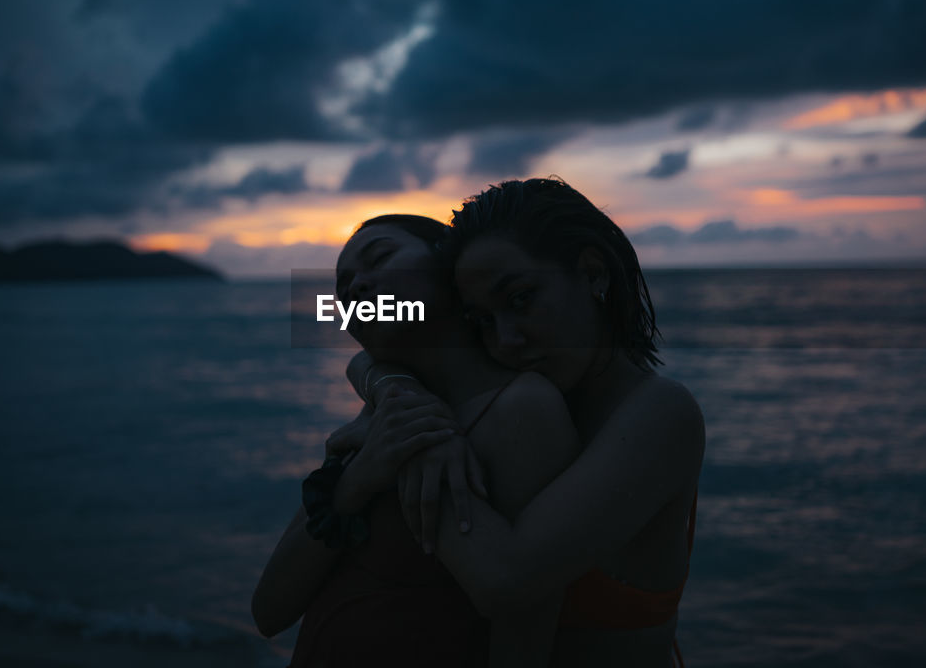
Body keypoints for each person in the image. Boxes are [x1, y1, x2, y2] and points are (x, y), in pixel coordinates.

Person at [352, 178, 706, 667]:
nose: (506, 339)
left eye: (520, 299)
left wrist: (413, 443)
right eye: (482, 320)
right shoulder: (519, 395)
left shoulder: (661, 414)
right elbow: (374, 361)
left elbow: (506, 582)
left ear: (592, 272)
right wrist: (395, 387)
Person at [250, 214, 580, 668]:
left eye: (380, 257)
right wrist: (355, 483)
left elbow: (524, 624)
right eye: (342, 285)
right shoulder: (378, 418)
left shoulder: (520, 408)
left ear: (455, 268)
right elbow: (269, 610)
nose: (354, 290)